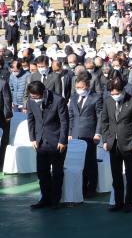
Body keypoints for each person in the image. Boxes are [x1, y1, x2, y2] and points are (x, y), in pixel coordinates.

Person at [101, 77, 132, 213]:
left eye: (116, 93)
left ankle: (129, 202)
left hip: (129, 143)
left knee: (131, 175)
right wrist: (106, 140)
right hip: (113, 144)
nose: (114, 96)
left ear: (122, 91)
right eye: (111, 94)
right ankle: (118, 202)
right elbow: (105, 122)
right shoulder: (108, 102)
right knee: (116, 175)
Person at [27, 81, 69, 210]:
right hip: (40, 143)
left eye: (36, 96)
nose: (34, 99)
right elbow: (31, 120)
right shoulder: (30, 101)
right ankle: (45, 198)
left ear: (43, 93)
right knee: (42, 172)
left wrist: (63, 141)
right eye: (32, 96)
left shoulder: (58, 100)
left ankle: (55, 200)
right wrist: (33, 138)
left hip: (56, 142)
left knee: (57, 173)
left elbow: (64, 122)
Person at [68, 74, 103, 197]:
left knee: (90, 162)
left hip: (90, 135)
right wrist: (69, 133)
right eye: (77, 87)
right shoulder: (73, 98)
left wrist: (98, 133)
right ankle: (81, 187)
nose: (79, 89)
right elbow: (71, 116)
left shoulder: (96, 98)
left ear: (87, 86)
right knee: (78, 162)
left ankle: (91, 188)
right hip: (75, 135)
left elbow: (100, 117)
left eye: (81, 87)